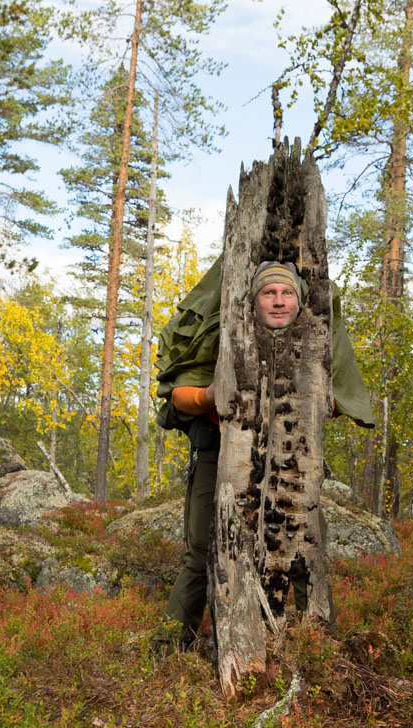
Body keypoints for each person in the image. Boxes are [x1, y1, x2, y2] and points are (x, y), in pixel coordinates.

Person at [155, 260, 374, 651]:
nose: (278, 302)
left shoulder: (314, 343)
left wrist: (307, 400)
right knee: (202, 552)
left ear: (298, 300)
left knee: (305, 549)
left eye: (286, 293)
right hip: (219, 454)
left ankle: (318, 648)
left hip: (292, 458)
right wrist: (213, 396)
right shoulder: (224, 337)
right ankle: (170, 648)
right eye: (268, 293)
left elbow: (337, 399)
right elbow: (179, 395)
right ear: (252, 300)